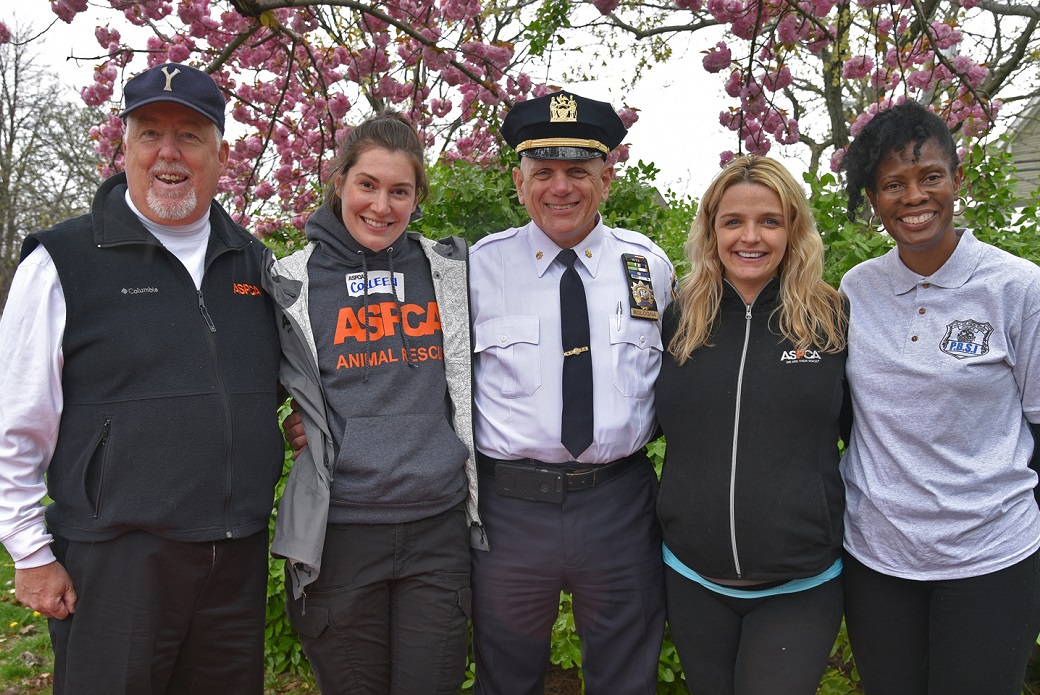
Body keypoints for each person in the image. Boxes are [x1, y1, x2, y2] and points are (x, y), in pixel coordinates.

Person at [0, 63, 283, 693]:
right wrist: (29, 551)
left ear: (221, 152)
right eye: (150, 132)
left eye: (190, 135)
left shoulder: (254, 263)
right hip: (116, 561)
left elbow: (277, 383)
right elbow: (16, 417)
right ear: (123, 144)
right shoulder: (62, 261)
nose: (168, 153)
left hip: (234, 556)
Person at [264, 111, 483, 694]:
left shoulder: (451, 272)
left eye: (400, 191)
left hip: (436, 529)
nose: (381, 206)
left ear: (417, 199)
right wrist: (299, 416)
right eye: (368, 185)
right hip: (341, 532)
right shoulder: (289, 282)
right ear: (339, 183)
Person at [468, 91, 672, 694]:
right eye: (544, 172)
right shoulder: (477, 269)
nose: (562, 188)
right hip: (512, 510)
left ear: (606, 179)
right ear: (518, 179)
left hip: (619, 505)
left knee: (627, 674)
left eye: (579, 172)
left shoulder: (650, 268)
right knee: (507, 675)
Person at [839, 99, 1040, 694]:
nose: (914, 197)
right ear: (873, 200)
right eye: (892, 184)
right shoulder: (858, 289)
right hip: (878, 558)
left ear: (958, 178)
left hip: (991, 558)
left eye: (930, 176)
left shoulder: (1017, 288)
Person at [655, 155, 849, 694]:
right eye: (733, 221)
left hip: (800, 584)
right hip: (693, 577)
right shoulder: (678, 319)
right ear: (711, 229)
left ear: (793, 229)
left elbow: (864, 436)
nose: (751, 237)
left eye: (770, 220)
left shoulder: (831, 318)